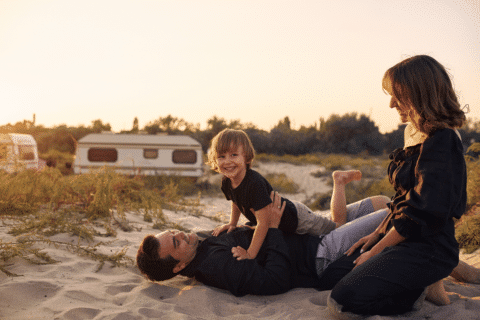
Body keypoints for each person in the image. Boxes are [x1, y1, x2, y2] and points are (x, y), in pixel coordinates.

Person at [321, 55, 468, 318]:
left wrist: (376, 251)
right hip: (402, 236)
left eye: (397, 95)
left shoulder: (443, 141)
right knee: (333, 274)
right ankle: (414, 281)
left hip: (429, 248)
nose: (391, 104)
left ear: (420, 93)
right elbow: (403, 199)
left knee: (342, 302)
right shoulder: (414, 133)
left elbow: (419, 213)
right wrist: (376, 233)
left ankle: (414, 293)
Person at [136, 191, 480, 300]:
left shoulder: (203, 245)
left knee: (380, 202)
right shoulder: (215, 266)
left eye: (174, 232)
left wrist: (238, 223)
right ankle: (456, 274)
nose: (181, 234)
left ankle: (451, 272)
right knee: (403, 214)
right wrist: (269, 225)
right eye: (175, 243)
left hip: (311, 237)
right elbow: (274, 280)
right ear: (179, 267)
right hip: (320, 255)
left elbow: (232, 232)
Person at [206, 128, 361, 260]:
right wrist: (232, 223)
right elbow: (236, 200)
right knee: (327, 225)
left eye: (234, 155)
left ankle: (339, 181)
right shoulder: (227, 181)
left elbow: (263, 223)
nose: (227, 161)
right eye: (221, 156)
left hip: (298, 218)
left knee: (337, 227)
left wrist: (250, 254)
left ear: (246, 156)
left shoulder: (254, 183)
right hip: (284, 221)